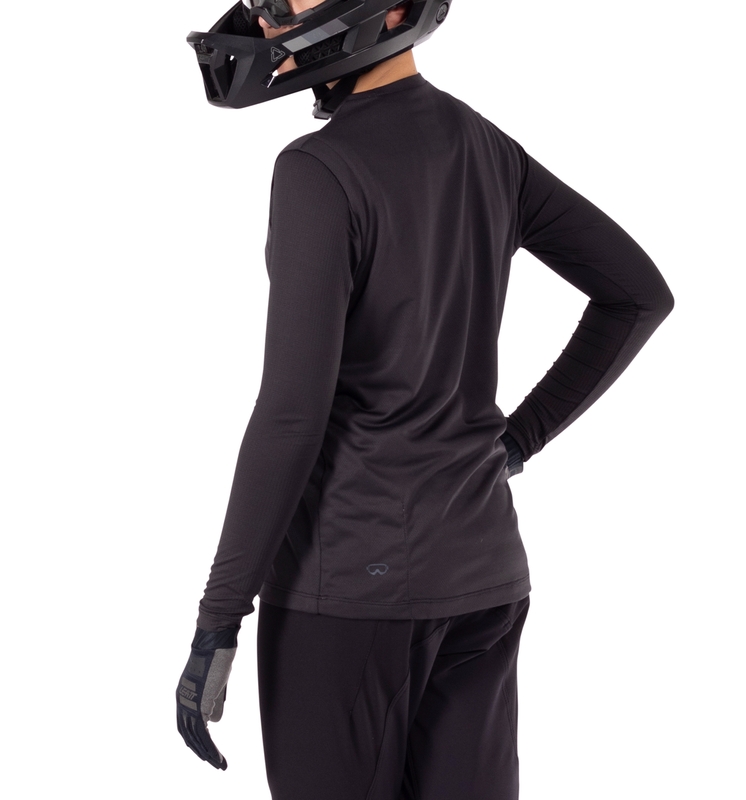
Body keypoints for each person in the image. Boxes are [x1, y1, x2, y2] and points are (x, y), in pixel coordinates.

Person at [176, 1, 675, 798]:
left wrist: (218, 616)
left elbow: (292, 415)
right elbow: (637, 295)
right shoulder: (486, 148)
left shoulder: (318, 170)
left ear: (390, 9)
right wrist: (514, 443)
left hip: (350, 592)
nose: (266, 18)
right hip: (485, 577)